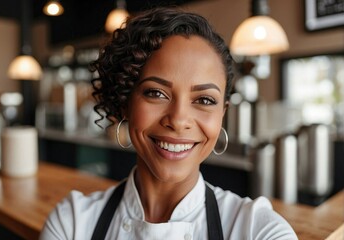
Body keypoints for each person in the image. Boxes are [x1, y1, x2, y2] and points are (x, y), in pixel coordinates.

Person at [40, 7, 297, 240]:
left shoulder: (259, 229)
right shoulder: (73, 223)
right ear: (125, 104)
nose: (178, 120)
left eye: (205, 100)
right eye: (156, 93)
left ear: (223, 113)